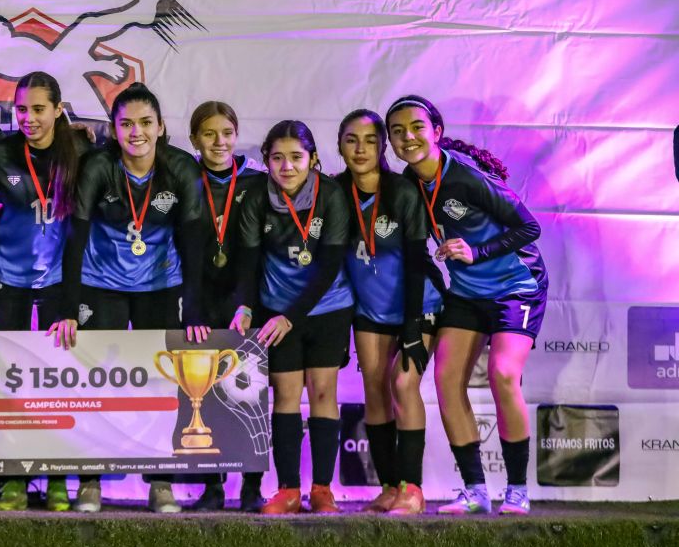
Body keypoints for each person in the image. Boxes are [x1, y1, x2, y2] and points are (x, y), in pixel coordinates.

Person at [48, 82, 211, 514]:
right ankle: (90, 481)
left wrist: (193, 306)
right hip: (101, 284)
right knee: (97, 383)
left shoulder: (180, 168)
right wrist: (68, 307)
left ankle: (161, 482)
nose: (136, 132)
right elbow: (75, 238)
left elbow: (193, 240)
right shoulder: (98, 166)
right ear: (114, 129)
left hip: (161, 286)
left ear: (160, 127)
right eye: (126, 124)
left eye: (145, 123)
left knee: (162, 385)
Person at [386, 95, 548, 515]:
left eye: (417, 127)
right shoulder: (408, 184)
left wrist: (477, 252)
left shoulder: (466, 177)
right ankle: (475, 490)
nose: (408, 137)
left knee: (503, 375)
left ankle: (517, 490)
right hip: (466, 292)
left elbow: (529, 227)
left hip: (515, 286)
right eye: (398, 131)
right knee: (446, 380)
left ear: (436, 132)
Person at [230, 120, 353, 515]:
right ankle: (287, 491)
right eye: (277, 158)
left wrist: (291, 317)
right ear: (266, 160)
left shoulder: (331, 195)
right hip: (276, 309)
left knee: (323, 393)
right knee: (285, 395)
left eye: (296, 157)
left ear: (313, 159)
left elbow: (330, 265)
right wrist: (246, 306)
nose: (287, 167)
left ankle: (322, 489)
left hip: (327, 307)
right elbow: (248, 260)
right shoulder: (256, 197)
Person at [0, 71, 88, 511]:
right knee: (11, 381)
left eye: (39, 109)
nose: (28, 118)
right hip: (9, 279)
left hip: (59, 283)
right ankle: (13, 478)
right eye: (21, 109)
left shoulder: (80, 150)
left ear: (59, 110)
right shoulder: (1, 151)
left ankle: (57, 478)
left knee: (55, 383)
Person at [334, 109, 443, 515]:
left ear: (382, 145)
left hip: (419, 305)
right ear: (340, 146)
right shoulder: (334, 192)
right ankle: (388, 487)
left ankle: (412, 488)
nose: (360, 149)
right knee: (374, 391)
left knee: (403, 384)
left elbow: (416, 261)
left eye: (369, 140)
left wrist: (412, 325)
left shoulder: (401, 191)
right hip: (370, 310)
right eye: (351, 140)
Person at [186, 101, 268, 512]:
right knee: (204, 394)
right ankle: (211, 487)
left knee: (250, 392)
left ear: (237, 135)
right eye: (209, 134)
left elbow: (259, 249)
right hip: (202, 297)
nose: (219, 142)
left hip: (248, 297)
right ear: (194, 139)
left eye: (227, 133)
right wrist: (192, 309)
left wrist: (247, 303)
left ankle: (252, 487)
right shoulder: (185, 179)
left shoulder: (257, 181)